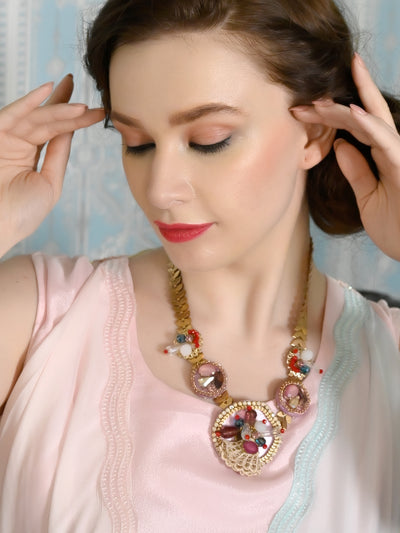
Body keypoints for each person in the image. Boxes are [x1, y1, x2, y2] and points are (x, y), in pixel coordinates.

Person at [0, 0, 399, 531]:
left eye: (209, 140)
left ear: (313, 134)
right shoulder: (37, 320)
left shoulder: (389, 357)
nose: (160, 190)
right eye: (138, 143)